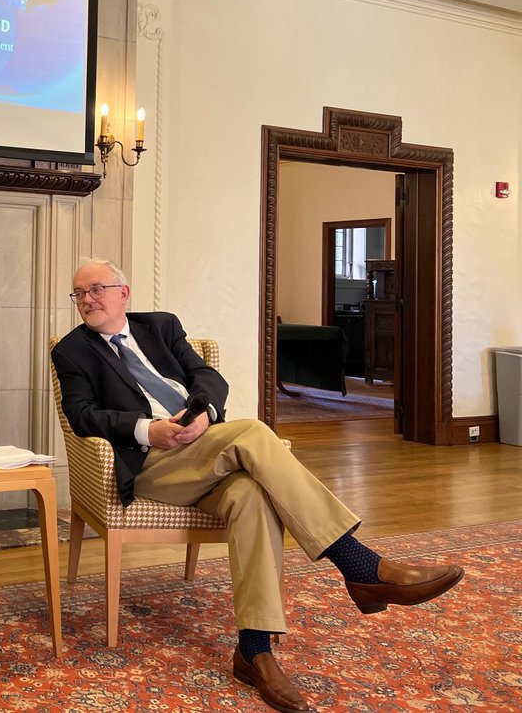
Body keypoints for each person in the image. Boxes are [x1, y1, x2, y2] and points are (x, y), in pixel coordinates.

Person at [50, 259, 464, 713]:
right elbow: (82, 415)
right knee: (252, 432)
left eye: (96, 289)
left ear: (123, 293)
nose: (87, 300)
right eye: (79, 294)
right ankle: (359, 564)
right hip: (150, 463)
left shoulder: (161, 326)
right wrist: (149, 429)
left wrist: (204, 414)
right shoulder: (73, 351)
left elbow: (208, 378)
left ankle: (254, 650)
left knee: (249, 495)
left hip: (204, 446)